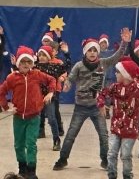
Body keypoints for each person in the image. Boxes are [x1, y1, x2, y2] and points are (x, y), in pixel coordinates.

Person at [53, 28, 131, 171]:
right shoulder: (79, 66)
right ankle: (62, 159)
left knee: (103, 135)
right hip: (80, 108)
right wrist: (67, 85)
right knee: (70, 135)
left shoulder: (103, 63)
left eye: (95, 50)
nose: (93, 53)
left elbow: (117, 56)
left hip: (97, 107)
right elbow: (70, 79)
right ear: (85, 52)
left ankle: (104, 161)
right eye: (90, 50)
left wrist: (124, 43)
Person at [0, 46, 56, 179]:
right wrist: (6, 108)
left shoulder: (36, 74)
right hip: (19, 118)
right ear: (18, 63)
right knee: (19, 145)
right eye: (23, 61)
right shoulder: (12, 78)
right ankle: (22, 168)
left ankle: (32, 171)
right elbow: (1, 92)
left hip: (34, 117)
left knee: (31, 144)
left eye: (28, 62)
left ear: (32, 63)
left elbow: (51, 80)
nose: (26, 64)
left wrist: (50, 92)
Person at [97, 59, 139, 179]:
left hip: (130, 129)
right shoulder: (115, 87)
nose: (115, 74)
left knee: (125, 155)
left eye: (118, 72)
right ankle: (112, 175)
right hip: (116, 127)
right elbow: (102, 93)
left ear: (126, 74)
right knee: (111, 153)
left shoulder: (136, 88)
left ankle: (127, 175)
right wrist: (101, 104)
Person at [35, 45, 70, 151]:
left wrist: (66, 53)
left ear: (49, 56)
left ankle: (56, 139)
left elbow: (67, 66)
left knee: (51, 118)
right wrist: (14, 65)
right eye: (40, 55)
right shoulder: (35, 67)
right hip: (37, 97)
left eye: (44, 55)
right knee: (36, 119)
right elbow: (22, 68)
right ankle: (33, 139)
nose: (41, 57)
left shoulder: (55, 67)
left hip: (50, 97)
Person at [99, 34, 116, 119]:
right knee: (99, 94)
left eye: (104, 43)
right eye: (101, 43)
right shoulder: (97, 53)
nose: (103, 44)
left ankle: (107, 111)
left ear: (107, 44)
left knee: (108, 95)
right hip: (99, 78)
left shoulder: (111, 53)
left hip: (109, 77)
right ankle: (99, 110)